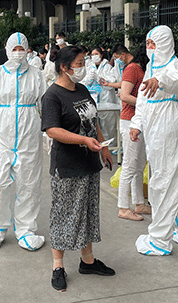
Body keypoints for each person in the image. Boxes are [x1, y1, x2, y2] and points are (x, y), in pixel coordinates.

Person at [41, 45, 115, 292]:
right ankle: (58, 266)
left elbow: (93, 121)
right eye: (80, 63)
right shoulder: (52, 95)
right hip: (68, 166)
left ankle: (88, 261)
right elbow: (52, 130)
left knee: (88, 213)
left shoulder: (82, 89)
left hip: (89, 164)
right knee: (64, 215)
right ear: (64, 67)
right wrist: (84, 140)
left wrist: (103, 147)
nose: (84, 67)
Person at [0, 32, 48, 251]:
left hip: (28, 137)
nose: (18, 53)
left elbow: (46, 103)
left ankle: (25, 229)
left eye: (22, 49)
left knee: (29, 184)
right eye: (14, 49)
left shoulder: (36, 75)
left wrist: (50, 132)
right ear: (7, 49)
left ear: (28, 50)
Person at [130, 26, 178, 255]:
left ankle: (160, 239)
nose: (150, 48)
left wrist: (160, 81)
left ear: (165, 44)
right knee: (173, 184)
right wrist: (136, 124)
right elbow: (142, 100)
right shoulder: (152, 66)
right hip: (154, 133)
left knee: (163, 184)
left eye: (154, 44)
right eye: (148, 44)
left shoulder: (175, 67)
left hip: (170, 131)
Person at [115, 44, 150, 221]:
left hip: (139, 120)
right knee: (129, 164)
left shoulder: (141, 69)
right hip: (130, 120)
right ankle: (123, 206)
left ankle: (139, 203)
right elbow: (125, 95)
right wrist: (147, 105)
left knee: (139, 164)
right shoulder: (132, 69)